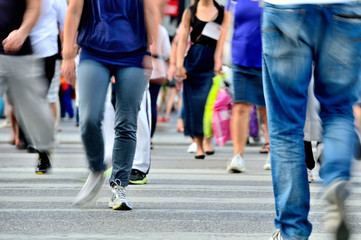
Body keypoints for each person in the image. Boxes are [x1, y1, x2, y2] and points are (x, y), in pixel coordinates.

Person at [262, 1, 361, 239]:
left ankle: (293, 231)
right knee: (338, 109)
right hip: (344, 8)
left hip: (284, 9)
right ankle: (336, 178)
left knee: (285, 129)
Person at [61, 0, 158, 210]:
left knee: (126, 123)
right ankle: (97, 167)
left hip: (133, 54)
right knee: (88, 119)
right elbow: (74, 10)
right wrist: (67, 55)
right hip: (94, 51)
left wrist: (152, 53)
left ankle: (118, 186)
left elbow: (151, 10)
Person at [0, 0, 54, 174]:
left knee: (34, 109)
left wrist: (22, 32)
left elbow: (34, 7)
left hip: (18, 51)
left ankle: (43, 149)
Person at [217, 0, 270, 173]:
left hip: (268, 58)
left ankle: (273, 151)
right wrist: (218, 57)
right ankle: (237, 156)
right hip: (240, 58)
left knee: (266, 109)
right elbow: (226, 27)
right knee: (240, 106)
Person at [176, 0, 226, 159]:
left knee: (211, 104)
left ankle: (208, 140)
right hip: (194, 62)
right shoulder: (190, 12)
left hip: (213, 62)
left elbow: (224, 38)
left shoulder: (222, 11)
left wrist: (220, 61)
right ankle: (198, 144)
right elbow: (182, 38)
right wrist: (178, 64)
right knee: (195, 106)